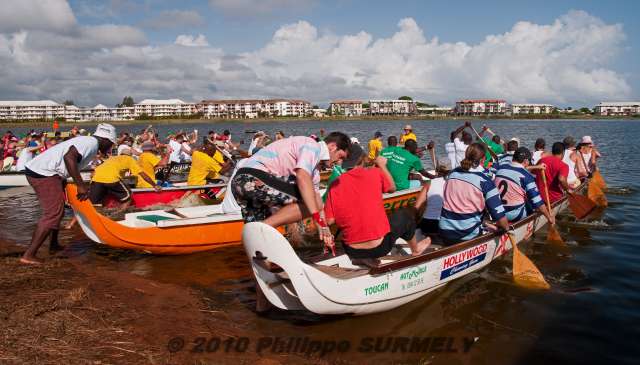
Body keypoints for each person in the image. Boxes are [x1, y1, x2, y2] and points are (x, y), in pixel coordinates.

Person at [231, 132, 350, 249]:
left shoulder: (315, 172)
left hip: (239, 181)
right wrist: (317, 216)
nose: (340, 162)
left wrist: (325, 230)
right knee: (310, 202)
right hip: (253, 178)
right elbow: (302, 176)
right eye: (340, 157)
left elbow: (319, 204)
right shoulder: (312, 145)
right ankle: (262, 228)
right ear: (332, 146)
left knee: (261, 243)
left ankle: (261, 261)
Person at [21, 123, 117, 265]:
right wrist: (80, 185)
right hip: (44, 173)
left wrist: (64, 180)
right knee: (53, 213)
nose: (110, 148)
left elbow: (67, 160)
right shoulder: (90, 143)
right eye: (111, 144)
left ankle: (53, 245)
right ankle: (29, 255)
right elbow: (69, 158)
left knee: (58, 211)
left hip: (49, 172)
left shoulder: (88, 142)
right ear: (106, 140)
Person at [324, 156, 431, 265]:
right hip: (379, 248)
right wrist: (382, 166)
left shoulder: (335, 183)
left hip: (351, 249)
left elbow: (330, 221)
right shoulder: (374, 172)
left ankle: (363, 257)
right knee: (405, 215)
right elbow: (392, 188)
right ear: (362, 160)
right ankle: (416, 250)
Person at [439, 143, 509, 245]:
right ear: (482, 159)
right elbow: (499, 216)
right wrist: (505, 228)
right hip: (467, 234)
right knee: (499, 226)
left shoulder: (451, 174)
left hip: (444, 230)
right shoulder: (485, 181)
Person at [494, 147, 554, 224]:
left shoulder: (500, 169)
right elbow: (537, 201)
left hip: (498, 211)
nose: (529, 162)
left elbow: (520, 168)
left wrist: (537, 167)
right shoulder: (526, 176)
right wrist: (549, 217)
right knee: (533, 202)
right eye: (529, 161)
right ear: (526, 161)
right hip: (514, 215)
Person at [89, 150, 160, 211]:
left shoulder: (111, 158)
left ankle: (97, 217)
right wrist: (154, 185)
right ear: (130, 155)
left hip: (96, 179)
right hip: (111, 179)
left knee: (96, 203)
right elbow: (142, 174)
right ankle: (119, 214)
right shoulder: (129, 159)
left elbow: (92, 174)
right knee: (128, 196)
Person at [417, 159, 451, 238]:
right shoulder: (452, 184)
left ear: (436, 170)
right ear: (450, 171)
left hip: (427, 224)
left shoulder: (429, 183)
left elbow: (417, 206)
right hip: (444, 224)